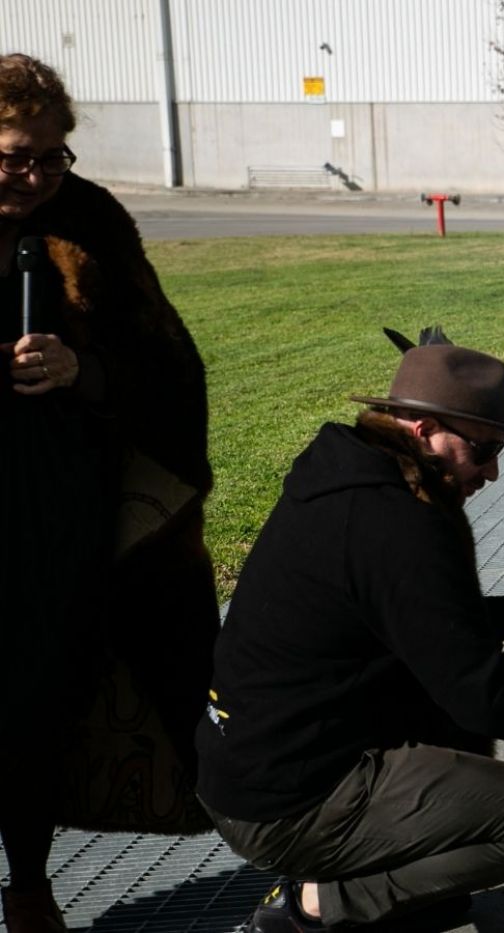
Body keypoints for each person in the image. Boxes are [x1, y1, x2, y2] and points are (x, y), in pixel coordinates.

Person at [196, 333, 504, 932]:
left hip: (253, 771)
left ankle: (395, 880)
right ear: (421, 429)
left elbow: (425, 624)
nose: (492, 471)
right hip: (284, 806)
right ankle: (317, 905)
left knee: (452, 732)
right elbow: (490, 698)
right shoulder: (398, 524)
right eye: (484, 449)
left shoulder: (353, 480)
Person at [0, 54, 219, 933]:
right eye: (16, 154)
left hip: (51, 513)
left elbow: (170, 368)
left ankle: (29, 880)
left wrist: (82, 368)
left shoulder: (89, 224)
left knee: (36, 694)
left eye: (53, 157)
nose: (35, 175)